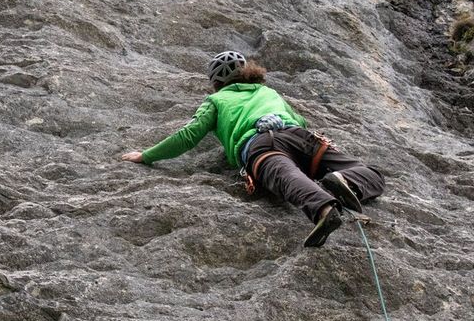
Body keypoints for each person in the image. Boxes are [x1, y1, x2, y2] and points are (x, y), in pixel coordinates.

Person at [121, 51, 385, 247]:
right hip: (300, 137)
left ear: (216, 82)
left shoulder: (216, 99)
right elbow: (300, 121)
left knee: (286, 176)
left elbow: (189, 135)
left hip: (261, 144)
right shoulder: (268, 92)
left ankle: (324, 209)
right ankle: (345, 179)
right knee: (370, 173)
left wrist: (147, 155)